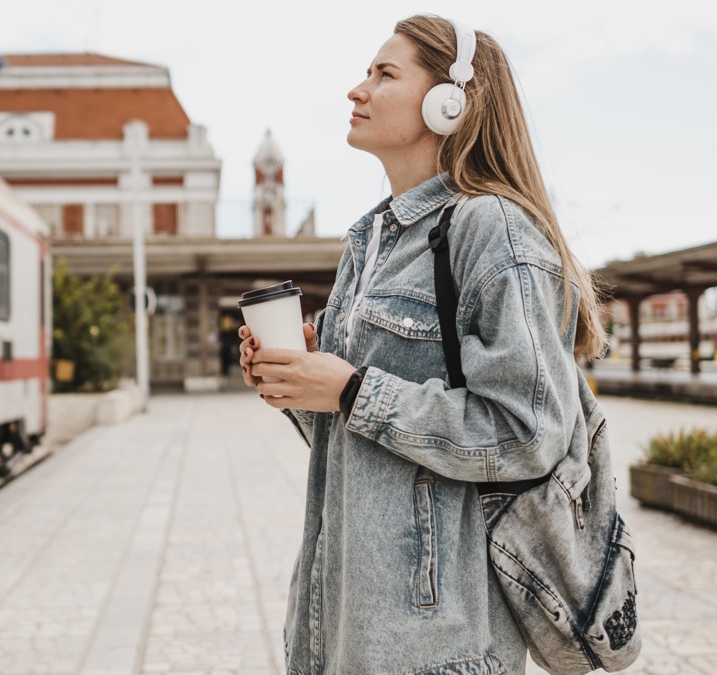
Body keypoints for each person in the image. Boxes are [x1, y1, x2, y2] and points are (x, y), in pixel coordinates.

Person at [238, 14, 608, 675]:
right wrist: (300, 387)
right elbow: (361, 446)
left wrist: (352, 388)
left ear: (450, 100)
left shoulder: (492, 230)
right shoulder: (370, 243)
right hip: (342, 629)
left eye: (384, 74)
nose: (357, 89)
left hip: (438, 645)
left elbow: (529, 432)